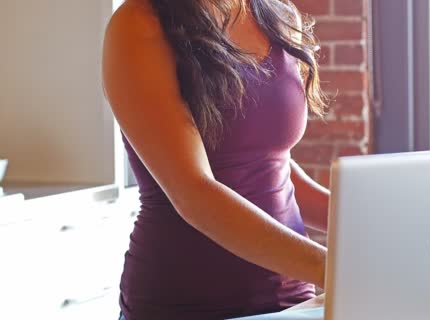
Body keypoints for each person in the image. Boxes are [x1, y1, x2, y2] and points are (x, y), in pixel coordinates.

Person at [102, 0, 330, 319]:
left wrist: (374, 226)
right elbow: (193, 192)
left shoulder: (278, 15)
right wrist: (330, 268)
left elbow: (271, 166)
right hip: (185, 305)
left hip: (292, 301)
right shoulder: (140, 23)